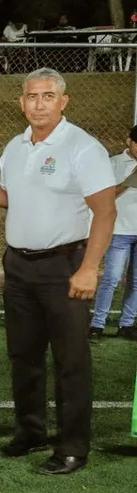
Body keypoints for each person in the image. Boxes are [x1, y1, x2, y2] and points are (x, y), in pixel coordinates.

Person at [0, 68, 115, 474]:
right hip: (20, 266)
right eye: (31, 96)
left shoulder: (83, 147)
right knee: (23, 356)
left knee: (70, 360)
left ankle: (73, 446)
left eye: (48, 96)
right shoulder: (15, 146)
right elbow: (10, 196)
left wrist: (89, 268)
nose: (39, 103)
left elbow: (105, 210)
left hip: (64, 266)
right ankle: (30, 432)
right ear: (21, 102)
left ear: (64, 101)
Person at [90, 126, 137, 339]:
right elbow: (105, 195)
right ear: (129, 142)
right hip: (120, 230)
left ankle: (126, 324)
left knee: (136, 282)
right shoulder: (114, 164)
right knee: (111, 278)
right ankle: (97, 324)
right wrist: (129, 181)